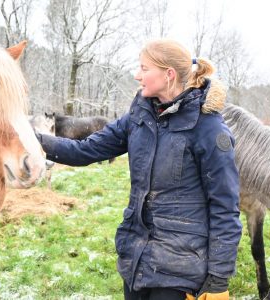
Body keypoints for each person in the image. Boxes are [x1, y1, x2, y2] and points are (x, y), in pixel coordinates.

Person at [36, 39, 242, 300]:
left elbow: (225, 207)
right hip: (136, 261)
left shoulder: (209, 130)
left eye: (144, 68)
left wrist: (218, 280)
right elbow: (86, 149)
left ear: (168, 75)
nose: (137, 75)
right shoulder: (140, 116)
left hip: (180, 271)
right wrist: (31, 142)